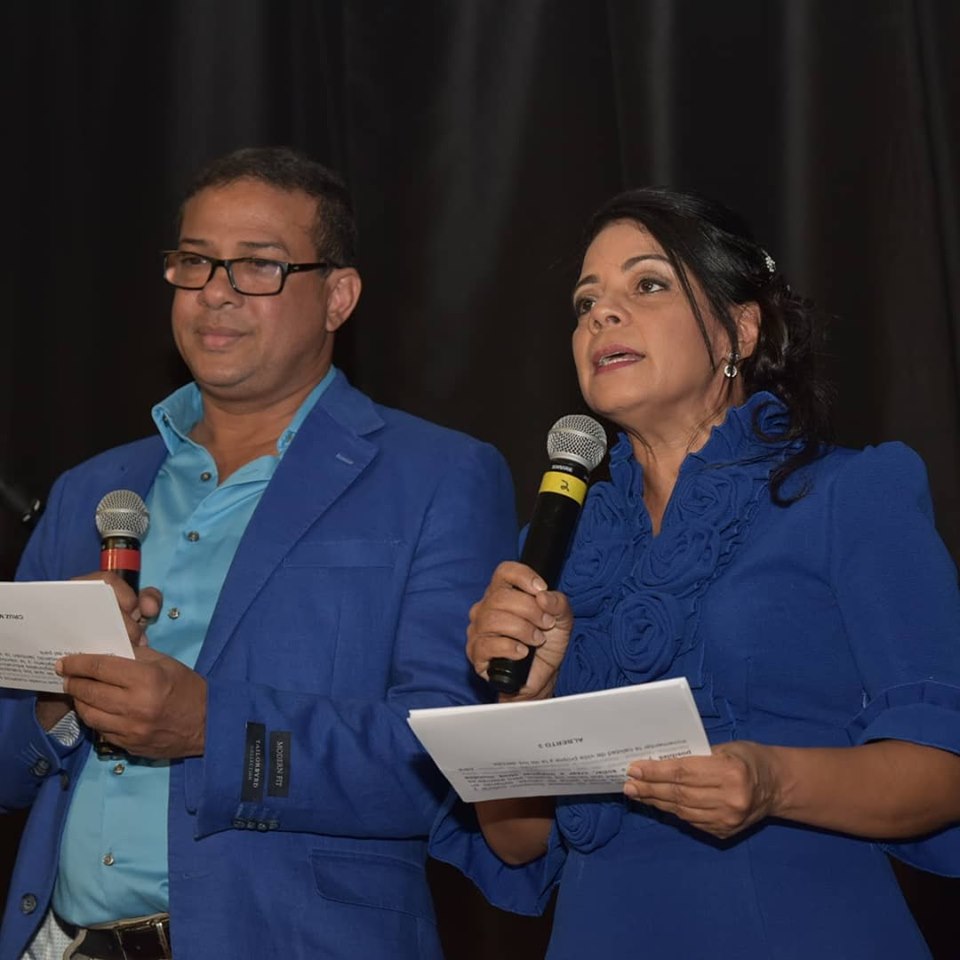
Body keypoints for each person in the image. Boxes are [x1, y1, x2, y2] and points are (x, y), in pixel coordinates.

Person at [0, 146, 516, 960]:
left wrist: (211, 727)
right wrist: (57, 707)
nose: (214, 292)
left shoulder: (438, 477)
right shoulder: (91, 491)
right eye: (194, 262)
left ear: (337, 297)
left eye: (258, 268)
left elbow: (448, 759)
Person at [430, 187, 960, 958]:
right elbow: (517, 843)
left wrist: (773, 782)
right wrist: (526, 696)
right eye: (586, 303)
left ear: (738, 328)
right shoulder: (557, 546)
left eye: (646, 285)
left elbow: (942, 774)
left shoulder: (851, 494)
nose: (601, 316)